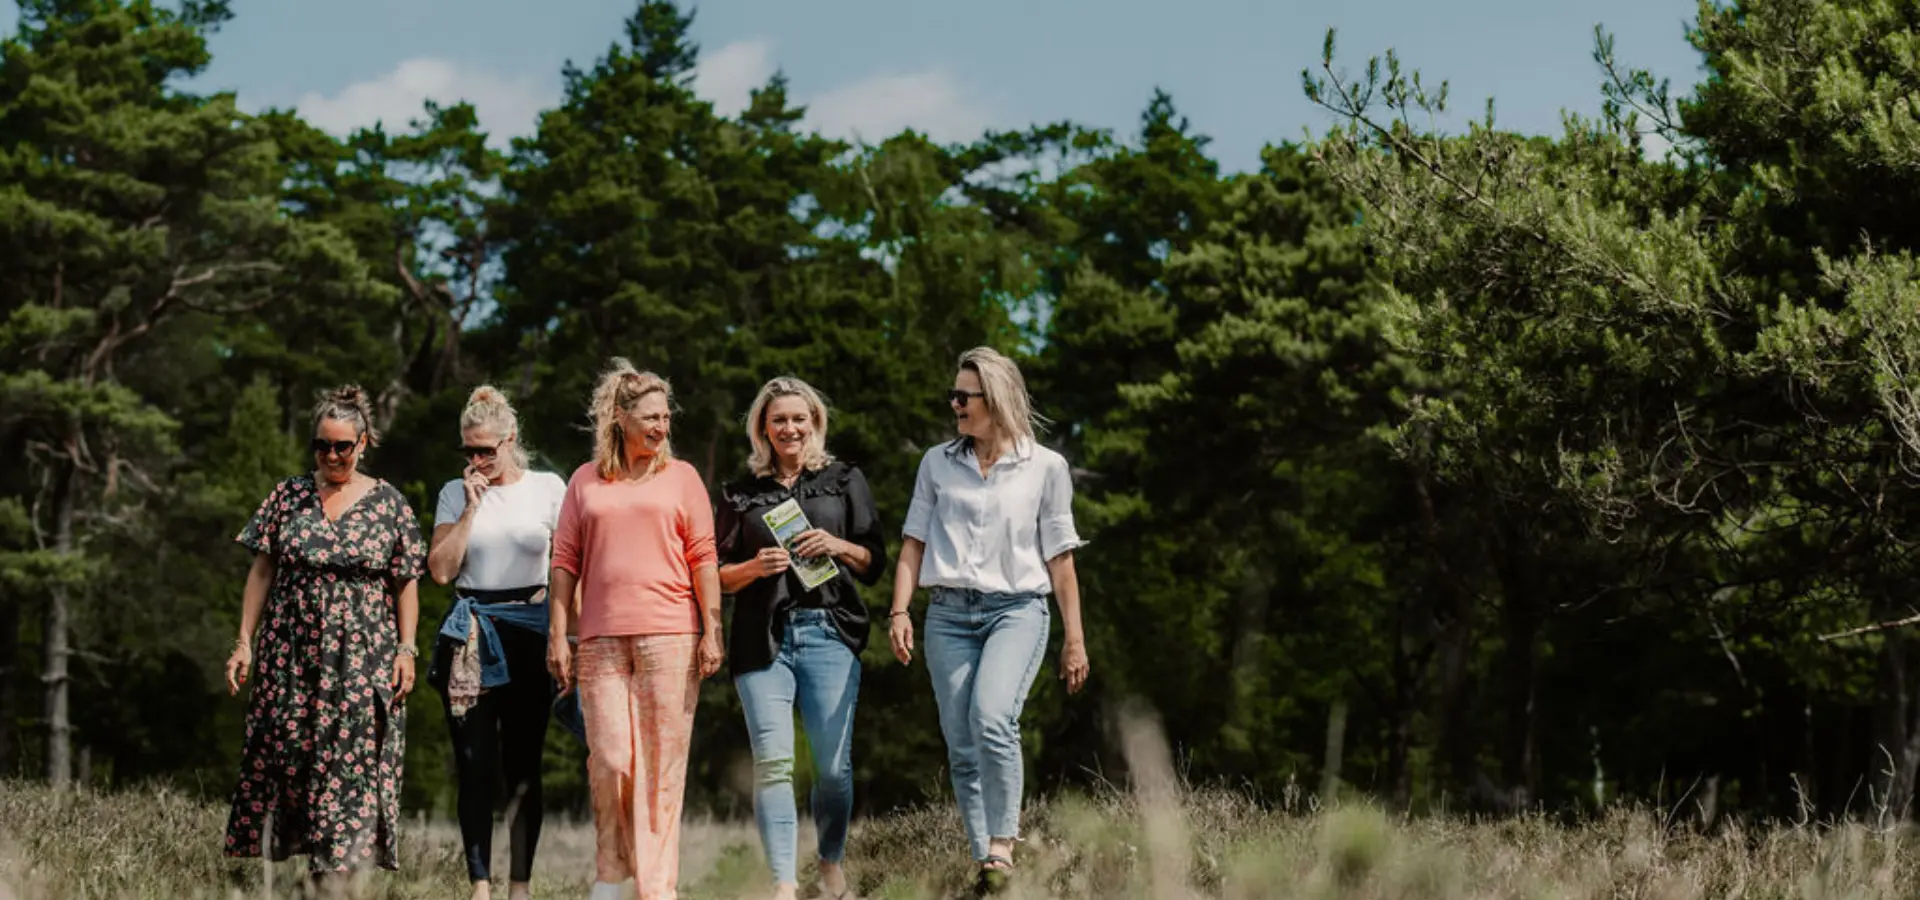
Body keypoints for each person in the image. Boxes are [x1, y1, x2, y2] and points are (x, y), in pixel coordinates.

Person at [886, 347, 1092, 892]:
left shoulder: (1046, 467)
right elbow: (913, 541)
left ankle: (1003, 845)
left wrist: (1075, 638)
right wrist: (900, 609)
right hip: (948, 615)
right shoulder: (936, 462)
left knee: (993, 717)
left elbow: (1061, 559)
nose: (954, 403)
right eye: (953, 394)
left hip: (1016, 611)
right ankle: (987, 867)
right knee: (960, 741)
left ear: (995, 400)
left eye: (963, 396)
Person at [222, 384, 426, 883]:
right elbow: (262, 571)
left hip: (363, 660)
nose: (332, 456)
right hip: (290, 656)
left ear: (363, 443)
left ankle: (334, 879)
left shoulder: (389, 504)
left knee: (350, 763)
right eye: (322, 446)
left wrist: (407, 649)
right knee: (291, 758)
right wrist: (244, 641)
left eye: (342, 446)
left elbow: (406, 584)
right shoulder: (288, 495)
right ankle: (301, 871)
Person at [546, 359, 725, 900]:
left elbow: (704, 557)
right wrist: (559, 635)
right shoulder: (585, 480)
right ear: (618, 418)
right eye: (649, 416)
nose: (661, 426)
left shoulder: (684, 477)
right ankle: (611, 873)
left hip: (672, 635)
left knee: (662, 766)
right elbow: (564, 560)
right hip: (599, 639)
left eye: (666, 416)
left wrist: (712, 630)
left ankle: (655, 887)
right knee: (611, 759)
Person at [716, 377, 887, 900]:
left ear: (814, 422)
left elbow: (875, 562)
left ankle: (830, 863)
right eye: (778, 420)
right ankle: (784, 885)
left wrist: (838, 545)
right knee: (773, 763)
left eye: (798, 418)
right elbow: (715, 574)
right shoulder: (739, 493)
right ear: (762, 428)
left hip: (829, 631)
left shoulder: (843, 480)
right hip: (762, 639)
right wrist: (752, 566)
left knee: (833, 769)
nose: (789, 428)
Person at [425, 385, 569, 900]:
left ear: (511, 440)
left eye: (487, 449)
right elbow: (440, 570)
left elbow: (568, 565)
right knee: (473, 763)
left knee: (524, 764)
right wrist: (469, 508)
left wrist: (563, 635)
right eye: (469, 451)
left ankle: (520, 886)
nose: (478, 459)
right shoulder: (453, 492)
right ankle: (480, 885)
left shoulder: (549, 488)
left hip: (530, 626)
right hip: (471, 632)